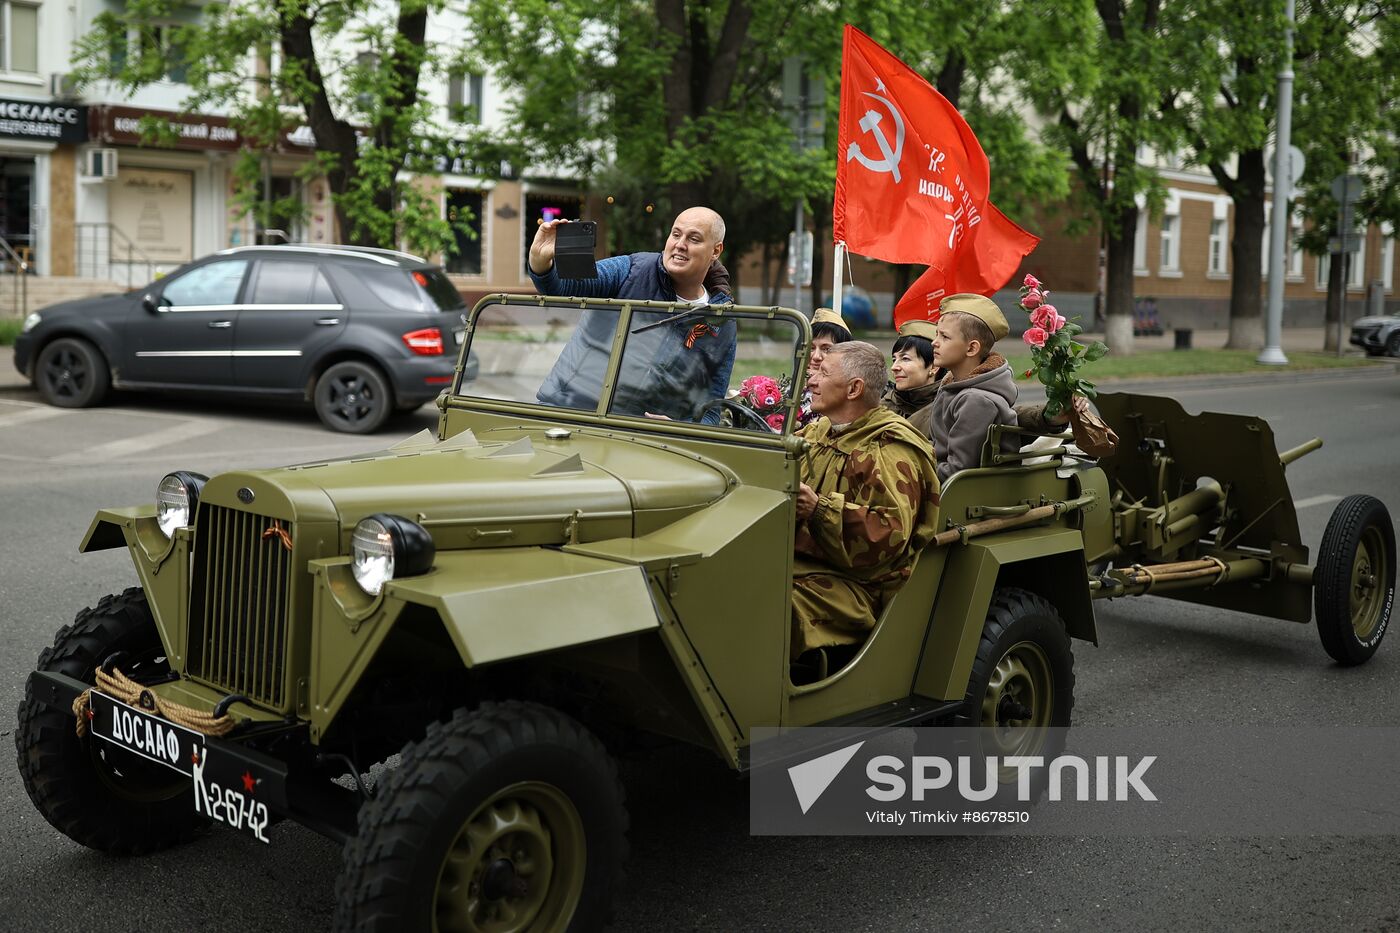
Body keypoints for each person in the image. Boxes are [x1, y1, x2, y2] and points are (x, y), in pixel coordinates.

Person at [791, 341, 941, 663]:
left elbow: (888, 536)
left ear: (854, 388)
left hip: (858, 586)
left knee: (765, 607)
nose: (811, 380)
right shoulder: (821, 432)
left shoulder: (888, 450)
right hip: (801, 563)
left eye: (823, 373)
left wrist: (818, 509)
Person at [526, 207, 737, 422]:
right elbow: (564, 287)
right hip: (565, 414)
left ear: (716, 251)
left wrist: (678, 428)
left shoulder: (721, 319)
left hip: (642, 439)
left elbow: (711, 408)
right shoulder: (631, 270)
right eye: (676, 234)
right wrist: (540, 261)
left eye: (694, 238)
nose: (680, 244)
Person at [925, 293, 1019, 482]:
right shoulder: (956, 388)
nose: (934, 342)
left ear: (971, 349)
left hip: (958, 496)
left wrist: (911, 471)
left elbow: (957, 471)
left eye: (944, 336)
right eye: (937, 334)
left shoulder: (975, 400)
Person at [793, 307, 852, 430]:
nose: (816, 357)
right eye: (811, 347)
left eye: (826, 349)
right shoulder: (787, 390)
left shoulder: (846, 397)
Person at [880, 319, 940, 436]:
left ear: (933, 367)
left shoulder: (946, 410)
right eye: (894, 359)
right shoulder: (882, 407)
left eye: (905, 359)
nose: (894, 367)